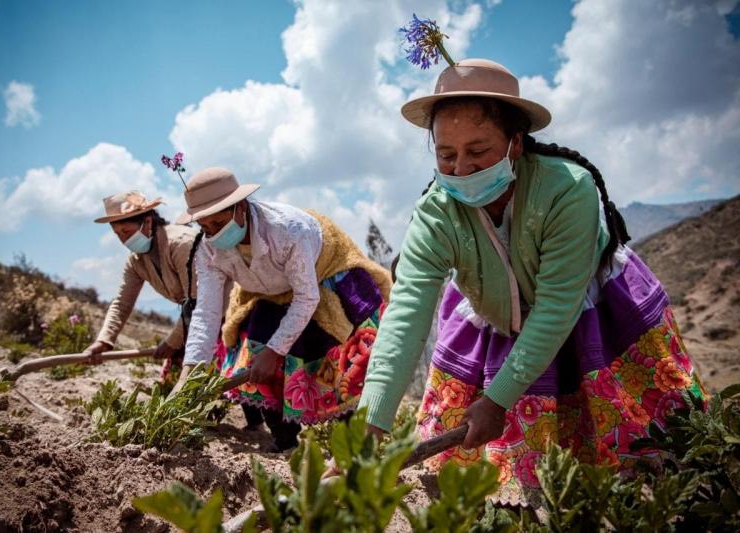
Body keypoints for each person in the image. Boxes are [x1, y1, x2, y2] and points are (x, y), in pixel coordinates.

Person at [358, 59, 706, 505]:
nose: (460, 169)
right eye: (446, 155)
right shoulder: (436, 212)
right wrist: (369, 427)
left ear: (515, 144)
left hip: (590, 314)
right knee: (508, 479)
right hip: (497, 318)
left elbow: (557, 306)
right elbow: (406, 314)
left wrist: (497, 398)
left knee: (645, 453)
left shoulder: (566, 189)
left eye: (478, 151)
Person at [175, 167, 391, 453]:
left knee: (334, 359)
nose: (214, 233)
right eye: (206, 227)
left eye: (219, 222)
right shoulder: (208, 250)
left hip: (323, 277)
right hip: (266, 290)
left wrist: (275, 350)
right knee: (255, 354)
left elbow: (305, 297)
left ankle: (353, 444)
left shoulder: (287, 230)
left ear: (240, 208)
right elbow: (207, 311)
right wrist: (189, 373)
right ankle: (284, 440)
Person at [83, 191, 216, 379]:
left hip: (222, 316)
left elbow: (198, 300)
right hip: (194, 322)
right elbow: (122, 303)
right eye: (118, 234)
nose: (123, 240)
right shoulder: (136, 261)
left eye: (127, 232)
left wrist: (173, 341)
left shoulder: (181, 243)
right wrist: (104, 341)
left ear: (147, 222)